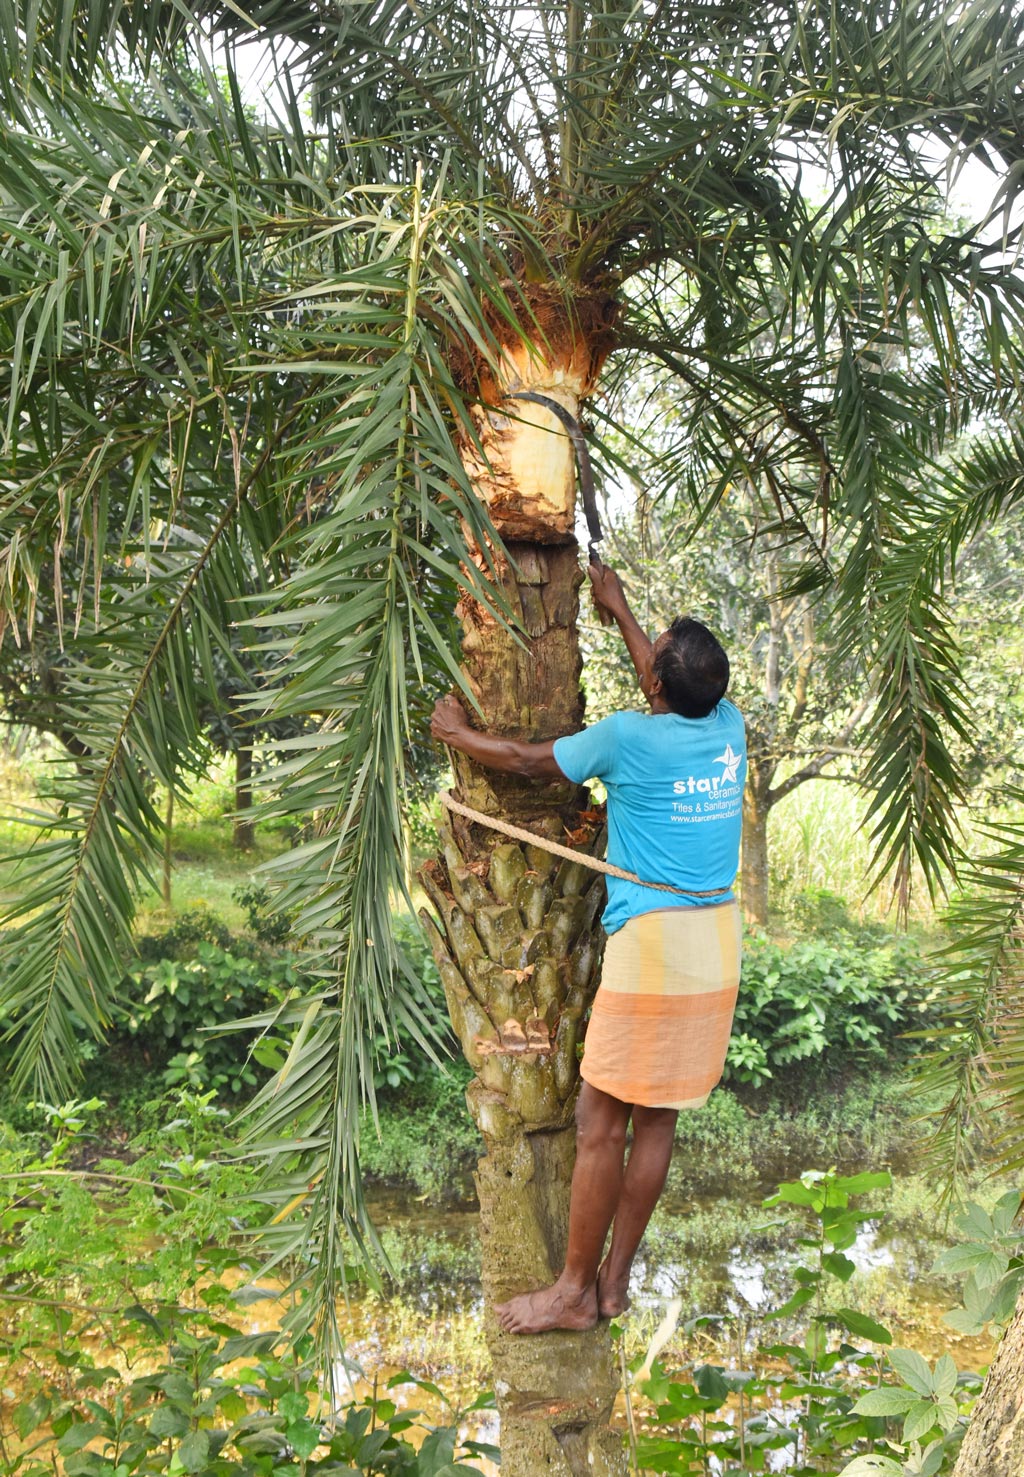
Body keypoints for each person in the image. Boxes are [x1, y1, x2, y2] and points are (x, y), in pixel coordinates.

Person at [430, 561, 746, 1335]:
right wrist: (622, 605)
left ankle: (571, 1291)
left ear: (658, 687)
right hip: (716, 948)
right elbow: (664, 674)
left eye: (655, 653)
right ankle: (612, 1283)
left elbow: (534, 761)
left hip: (656, 952)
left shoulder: (627, 738)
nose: (650, 660)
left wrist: (459, 735)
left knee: (601, 1121)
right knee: (658, 1122)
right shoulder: (726, 721)